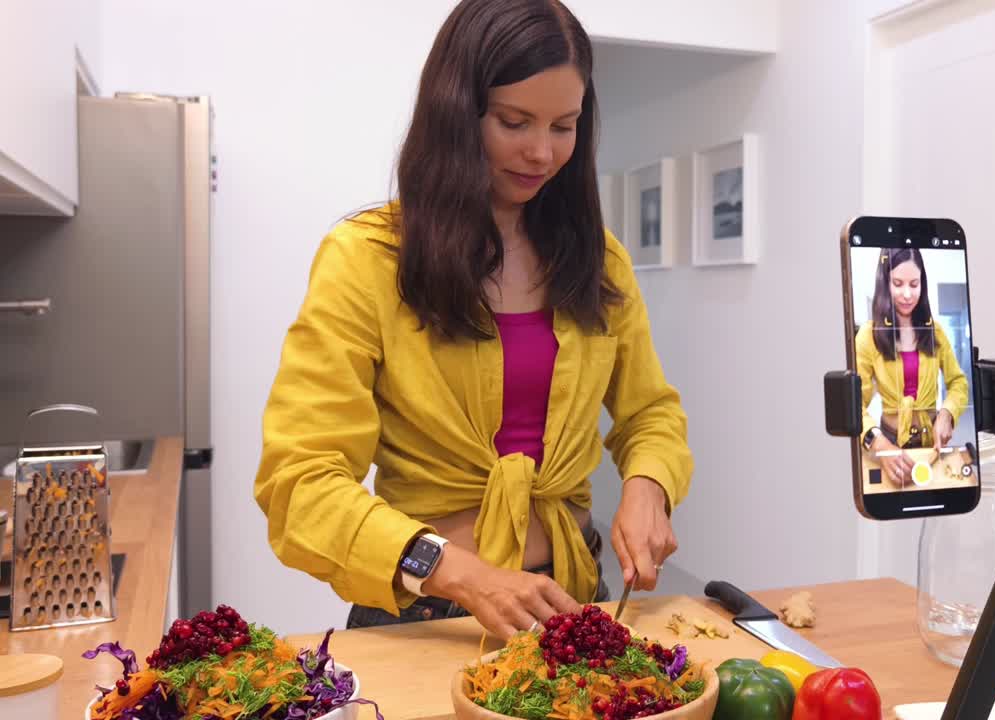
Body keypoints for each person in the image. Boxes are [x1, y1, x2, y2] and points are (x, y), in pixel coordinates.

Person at [253, 0, 693, 639]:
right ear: (457, 114)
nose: (542, 152)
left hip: (576, 597)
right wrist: (459, 572)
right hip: (428, 616)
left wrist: (648, 487)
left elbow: (651, 413)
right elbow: (300, 483)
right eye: (515, 122)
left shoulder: (599, 259)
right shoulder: (368, 258)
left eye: (564, 126)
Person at [854, 248, 968, 487]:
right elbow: (855, 405)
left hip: (931, 444)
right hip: (888, 441)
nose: (907, 294)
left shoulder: (934, 331)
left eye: (914, 284)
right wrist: (880, 445)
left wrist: (947, 413)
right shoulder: (868, 336)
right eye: (897, 283)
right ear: (885, 284)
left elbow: (958, 382)